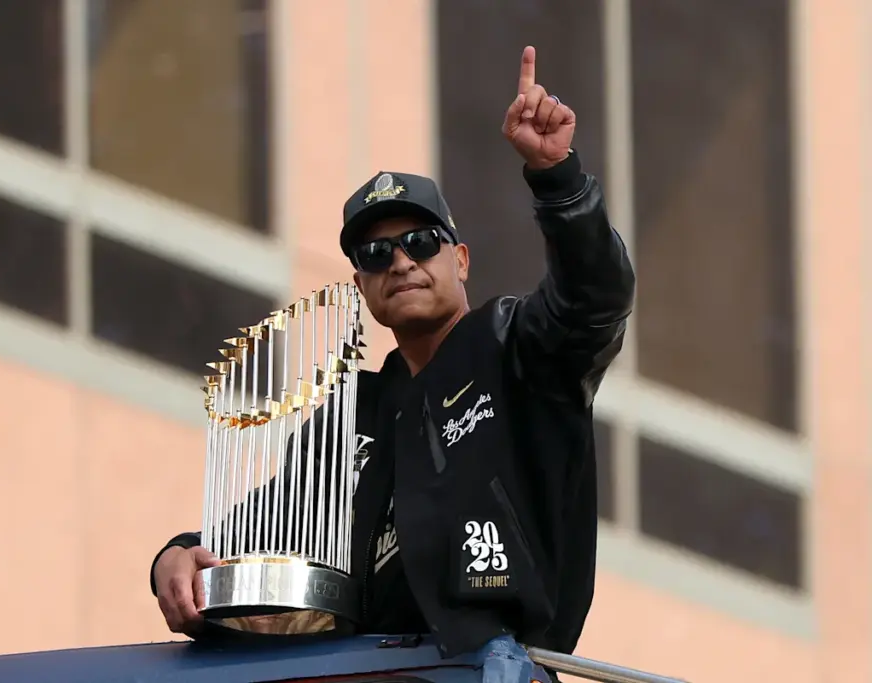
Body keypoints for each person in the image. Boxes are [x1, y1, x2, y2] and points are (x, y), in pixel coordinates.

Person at [150, 46, 635, 681]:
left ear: (461, 260)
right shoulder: (348, 418)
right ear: (361, 285)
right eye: (377, 254)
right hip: (365, 670)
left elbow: (594, 296)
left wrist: (557, 177)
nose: (401, 261)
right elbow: (253, 538)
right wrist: (178, 555)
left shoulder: (516, 345)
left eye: (421, 242)